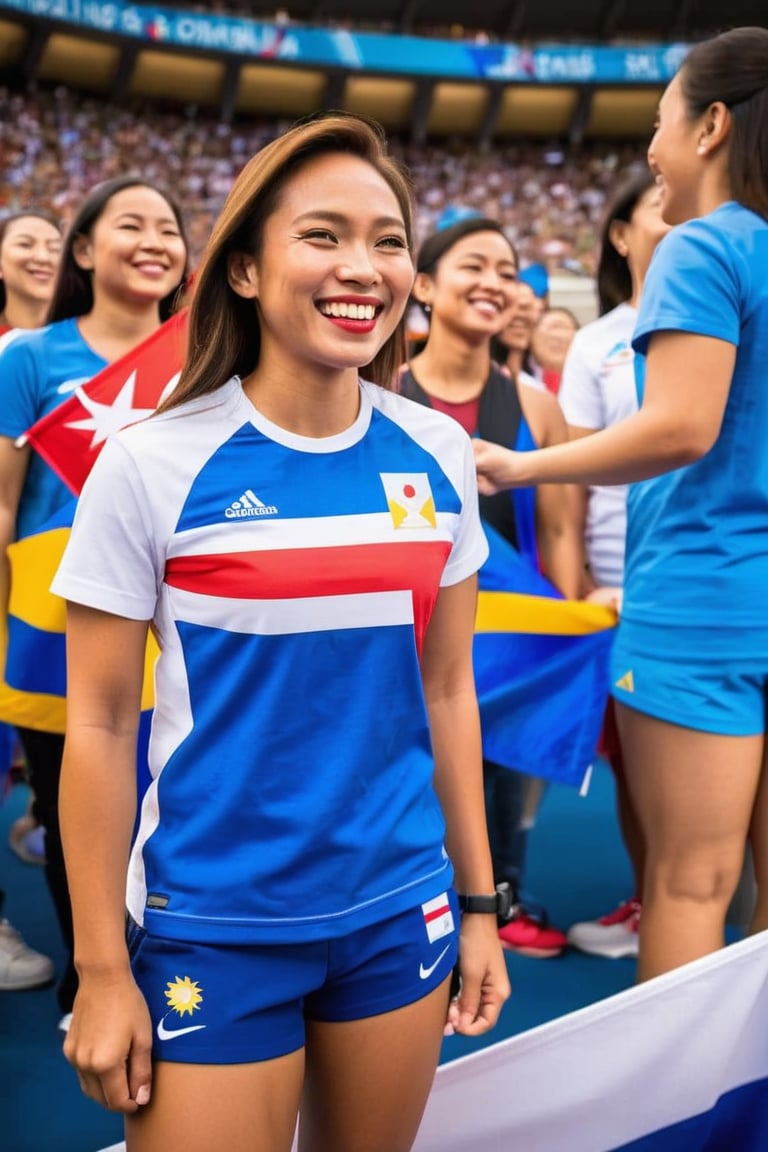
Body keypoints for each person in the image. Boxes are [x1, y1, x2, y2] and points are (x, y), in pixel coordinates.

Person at [53, 113, 509, 1150]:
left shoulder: (437, 449)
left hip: (401, 910)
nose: (364, 267)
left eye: (388, 240)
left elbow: (448, 693)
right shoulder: (149, 462)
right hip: (212, 927)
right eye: (324, 235)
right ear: (247, 271)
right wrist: (102, 969)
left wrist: (479, 904)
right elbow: (102, 728)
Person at [473, 26, 768, 982]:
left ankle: (687, 1123)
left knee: (688, 886)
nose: (650, 150)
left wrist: (522, 468)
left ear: (713, 125)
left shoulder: (700, 248)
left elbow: (678, 427)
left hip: (702, 606)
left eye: (659, 122)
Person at [0, 176, 188, 1024]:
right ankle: (94, 981)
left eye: (170, 228)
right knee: (81, 804)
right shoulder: (30, 359)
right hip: (57, 620)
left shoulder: (206, 354)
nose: (155, 240)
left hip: (182, 618)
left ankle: (172, 975)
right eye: (131, 225)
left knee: (175, 807)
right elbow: (4, 504)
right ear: (83, 250)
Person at [400, 215, 582, 959]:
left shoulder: (536, 407)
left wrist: (566, 621)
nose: (494, 283)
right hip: (404, 630)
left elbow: (563, 526)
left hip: (504, 634)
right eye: (474, 265)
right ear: (423, 285)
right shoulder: (382, 389)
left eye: (507, 271)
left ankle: (501, 894)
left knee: (501, 762)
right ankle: (416, 898)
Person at [558, 174, 670, 960]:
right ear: (620, 238)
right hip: (616, 587)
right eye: (655, 209)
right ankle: (650, 899)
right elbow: (570, 488)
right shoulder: (596, 345)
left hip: (710, 581)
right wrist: (577, 598)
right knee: (639, 763)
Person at [0, 208, 64, 991]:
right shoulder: (19, 361)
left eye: (53, 243)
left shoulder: (123, 356)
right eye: (26, 243)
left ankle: (43, 822)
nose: (42, 255)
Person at [528, 306, 580, 394]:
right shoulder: (515, 380)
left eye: (563, 328)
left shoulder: (587, 380)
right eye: (553, 328)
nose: (557, 336)